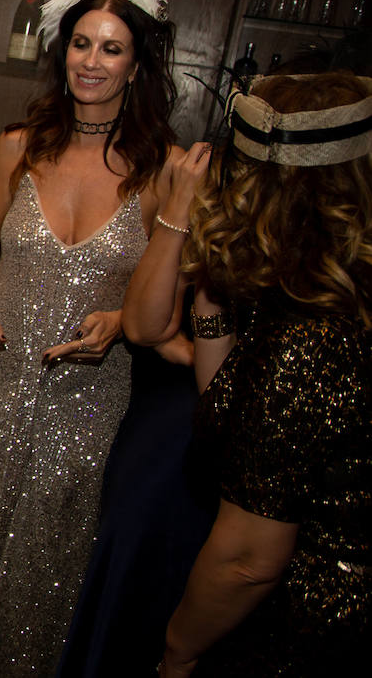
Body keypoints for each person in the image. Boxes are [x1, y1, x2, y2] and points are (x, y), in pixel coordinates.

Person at [0, 0, 183, 675]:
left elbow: (172, 305)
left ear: (136, 65)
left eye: (112, 48)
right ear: (62, 50)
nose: (92, 61)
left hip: (84, 413)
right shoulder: (18, 147)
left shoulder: (163, 172)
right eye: (81, 43)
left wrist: (122, 318)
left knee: (38, 589)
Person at [122, 71, 371, 677]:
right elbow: (226, 409)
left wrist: (177, 653)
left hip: (304, 630)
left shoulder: (313, 335)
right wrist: (214, 284)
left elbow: (249, 560)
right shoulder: (300, 292)